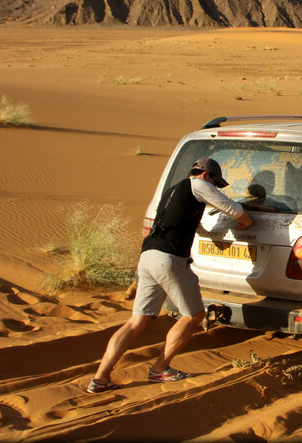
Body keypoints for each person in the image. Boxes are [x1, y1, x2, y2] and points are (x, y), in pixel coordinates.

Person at [87, 157, 253, 393]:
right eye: (216, 184)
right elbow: (237, 212)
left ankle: (100, 378)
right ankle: (160, 369)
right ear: (206, 176)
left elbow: (193, 226)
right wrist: (245, 222)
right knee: (194, 315)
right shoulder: (199, 185)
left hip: (147, 257)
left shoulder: (173, 190)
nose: (215, 190)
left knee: (136, 321)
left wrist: (218, 229)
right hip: (170, 259)